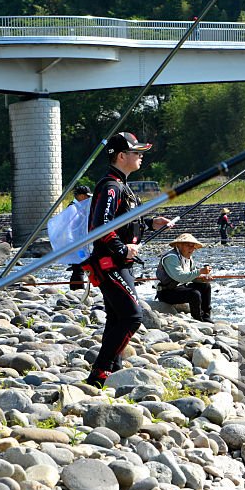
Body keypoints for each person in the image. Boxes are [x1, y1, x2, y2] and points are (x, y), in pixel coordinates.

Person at [82, 132, 172, 388]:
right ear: (122, 156)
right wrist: (122, 249)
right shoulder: (111, 186)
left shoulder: (121, 185)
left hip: (119, 264)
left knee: (117, 317)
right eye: (137, 152)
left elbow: (123, 222)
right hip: (110, 264)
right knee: (133, 316)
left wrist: (149, 222)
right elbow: (101, 226)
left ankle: (111, 374)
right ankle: (100, 372)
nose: (141, 156)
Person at [155, 233, 213, 322]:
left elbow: (192, 276)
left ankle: (206, 316)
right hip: (167, 292)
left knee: (206, 286)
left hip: (180, 287)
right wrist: (200, 271)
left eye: (193, 246)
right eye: (188, 245)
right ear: (179, 245)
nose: (192, 249)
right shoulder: (171, 258)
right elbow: (181, 277)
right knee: (194, 294)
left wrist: (202, 278)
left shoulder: (188, 258)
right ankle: (198, 319)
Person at [68, 185, 92, 290]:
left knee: (81, 267)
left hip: (82, 242)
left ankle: (77, 290)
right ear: (81, 196)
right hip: (75, 243)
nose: (88, 198)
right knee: (78, 267)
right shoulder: (72, 208)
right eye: (87, 196)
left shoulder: (81, 207)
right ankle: (76, 291)